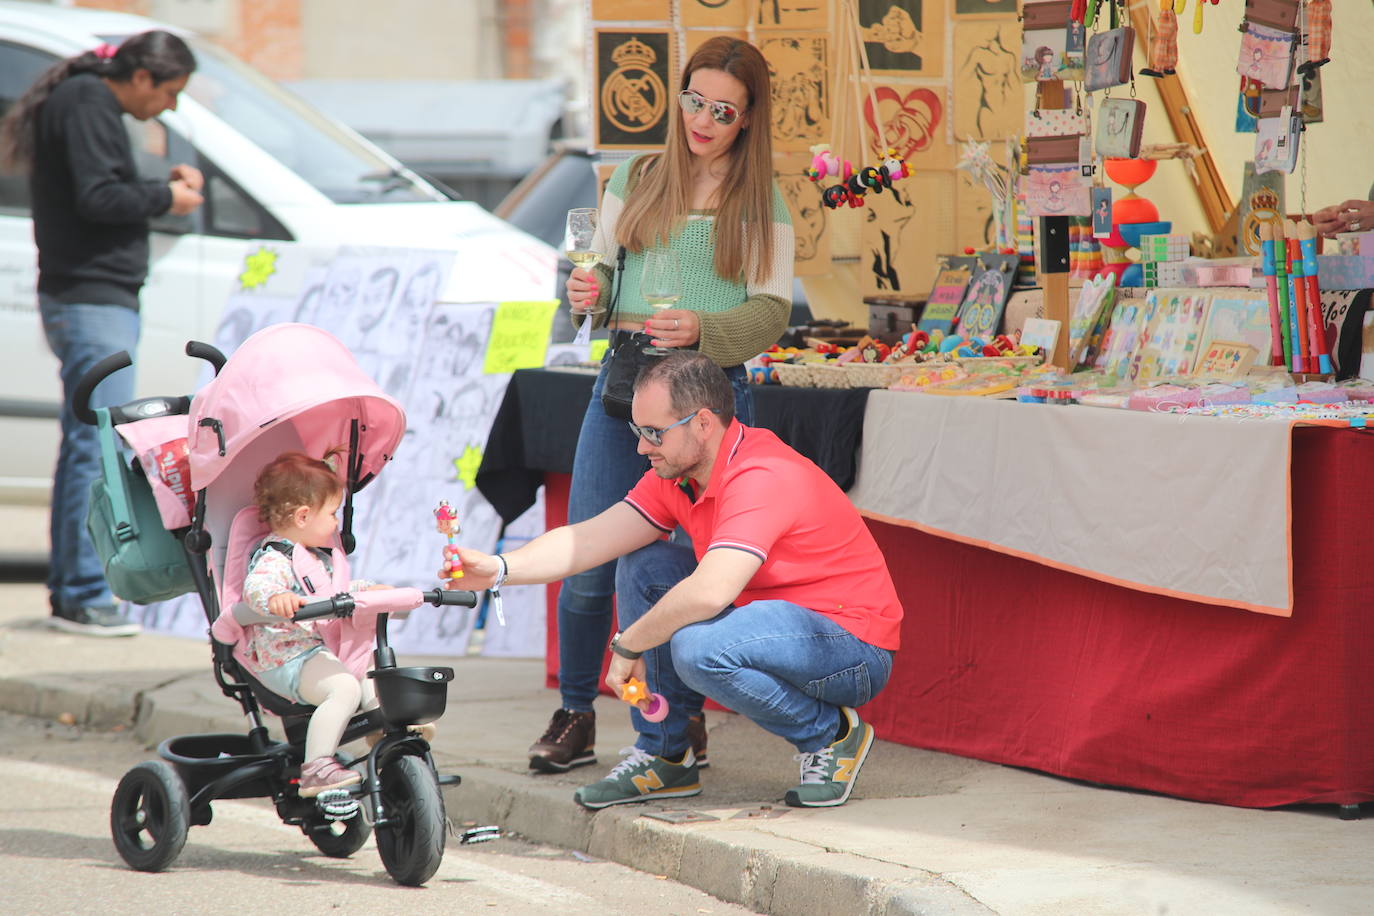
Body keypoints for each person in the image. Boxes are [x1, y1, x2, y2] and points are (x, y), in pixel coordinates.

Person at [454, 353, 901, 809]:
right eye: (638, 431)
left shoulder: (761, 473)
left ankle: (831, 736)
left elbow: (710, 592)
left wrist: (629, 645)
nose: (641, 448)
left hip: (851, 648)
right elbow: (588, 540)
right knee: (641, 566)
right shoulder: (676, 470)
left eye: (654, 433)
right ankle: (665, 754)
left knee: (699, 649)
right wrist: (499, 569)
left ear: (703, 423)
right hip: (771, 625)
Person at [532, 36, 794, 774]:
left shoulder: (760, 197)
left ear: (747, 119)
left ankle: (678, 722)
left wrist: (708, 330)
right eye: (694, 101)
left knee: (678, 565)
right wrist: (586, 292)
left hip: (708, 401)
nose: (703, 120)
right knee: (589, 554)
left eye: (723, 110)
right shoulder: (639, 176)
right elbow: (601, 282)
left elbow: (772, 311)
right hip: (623, 383)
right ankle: (576, 711)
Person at [0, 31, 203, 636]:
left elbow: (99, 186)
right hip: (90, 297)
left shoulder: (89, 102)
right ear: (142, 78)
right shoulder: (88, 102)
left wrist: (155, 182)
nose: (167, 106)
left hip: (94, 295)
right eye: (168, 92)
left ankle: (76, 591)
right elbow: (98, 197)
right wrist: (166, 195)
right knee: (97, 445)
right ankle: (86, 593)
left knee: (86, 441)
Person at [240, 451, 382, 798]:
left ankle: (386, 727)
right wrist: (275, 598)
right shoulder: (276, 558)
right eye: (332, 513)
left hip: (316, 650)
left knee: (370, 665)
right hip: (286, 657)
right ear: (304, 516)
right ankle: (316, 767)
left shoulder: (316, 559)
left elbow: (335, 593)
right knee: (344, 688)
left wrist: (368, 591)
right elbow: (256, 587)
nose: (337, 523)